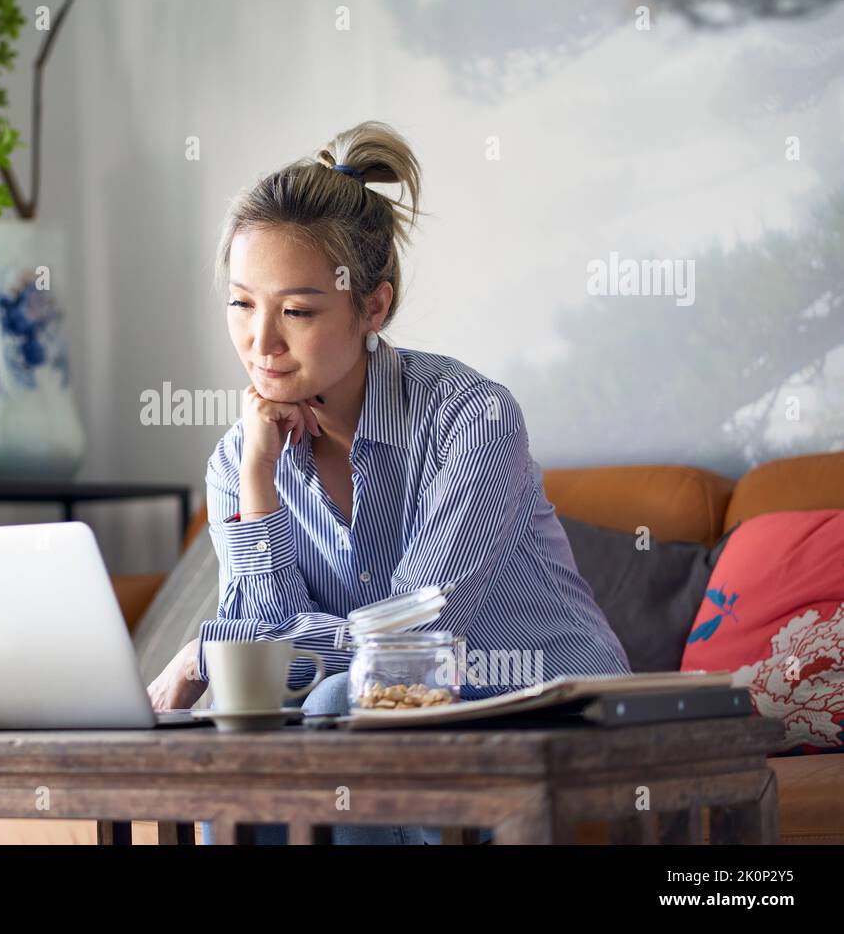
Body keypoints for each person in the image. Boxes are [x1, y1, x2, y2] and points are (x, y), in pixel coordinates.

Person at [146, 121, 631, 844]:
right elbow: (262, 654)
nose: (261, 342)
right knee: (267, 725)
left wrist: (209, 651)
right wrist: (258, 479)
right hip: (380, 715)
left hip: (554, 712)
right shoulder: (235, 458)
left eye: (298, 311)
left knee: (346, 697)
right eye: (242, 303)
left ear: (373, 305)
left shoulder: (474, 419)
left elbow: (412, 646)